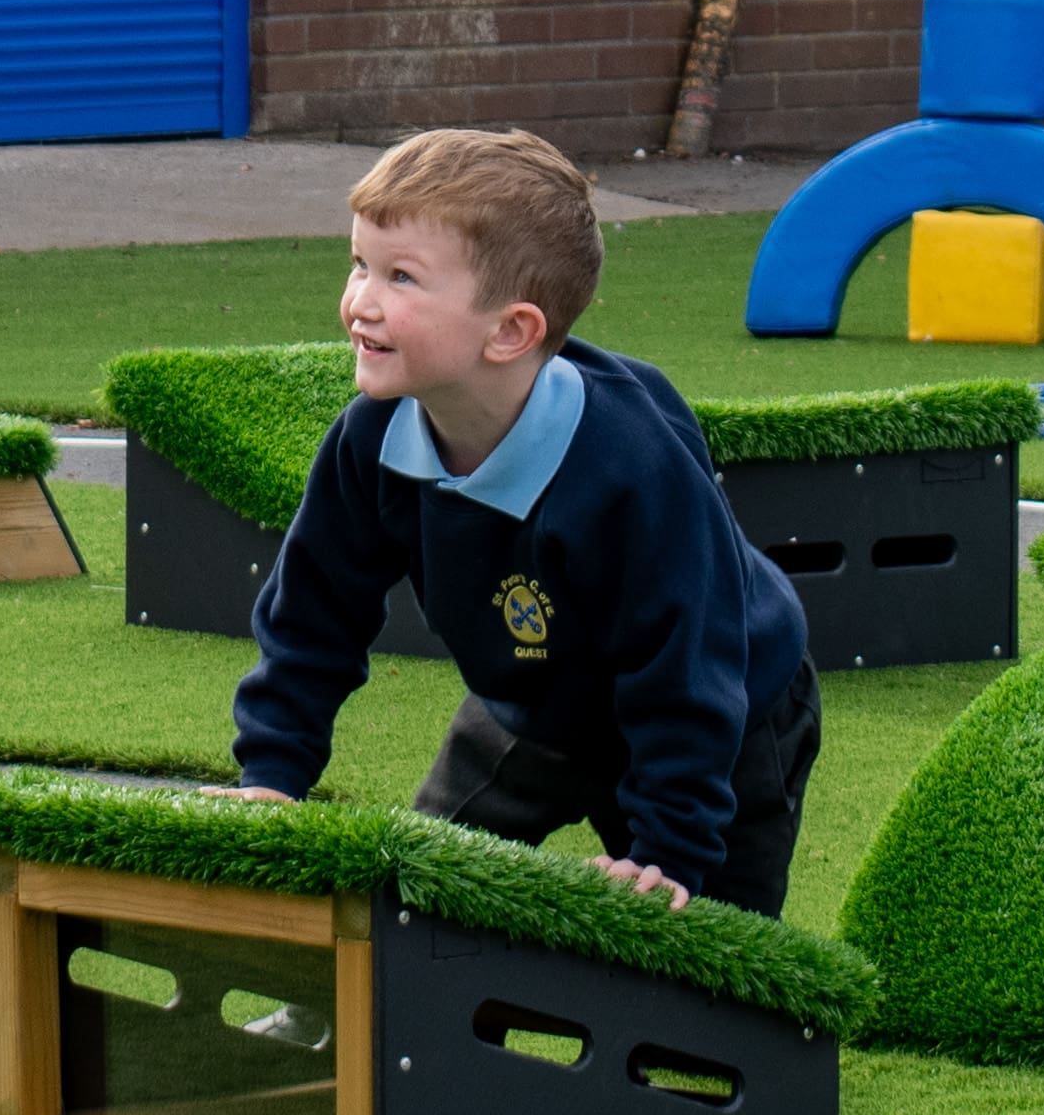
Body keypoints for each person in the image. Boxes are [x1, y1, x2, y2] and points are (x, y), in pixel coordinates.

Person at [221, 129, 819, 916]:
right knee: (415, 901)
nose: (360, 300)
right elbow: (312, 617)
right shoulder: (371, 439)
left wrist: (669, 852)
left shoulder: (628, 466)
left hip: (726, 713)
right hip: (534, 701)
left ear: (510, 332)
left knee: (702, 939)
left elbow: (687, 664)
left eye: (401, 277)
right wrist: (272, 777)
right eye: (360, 263)